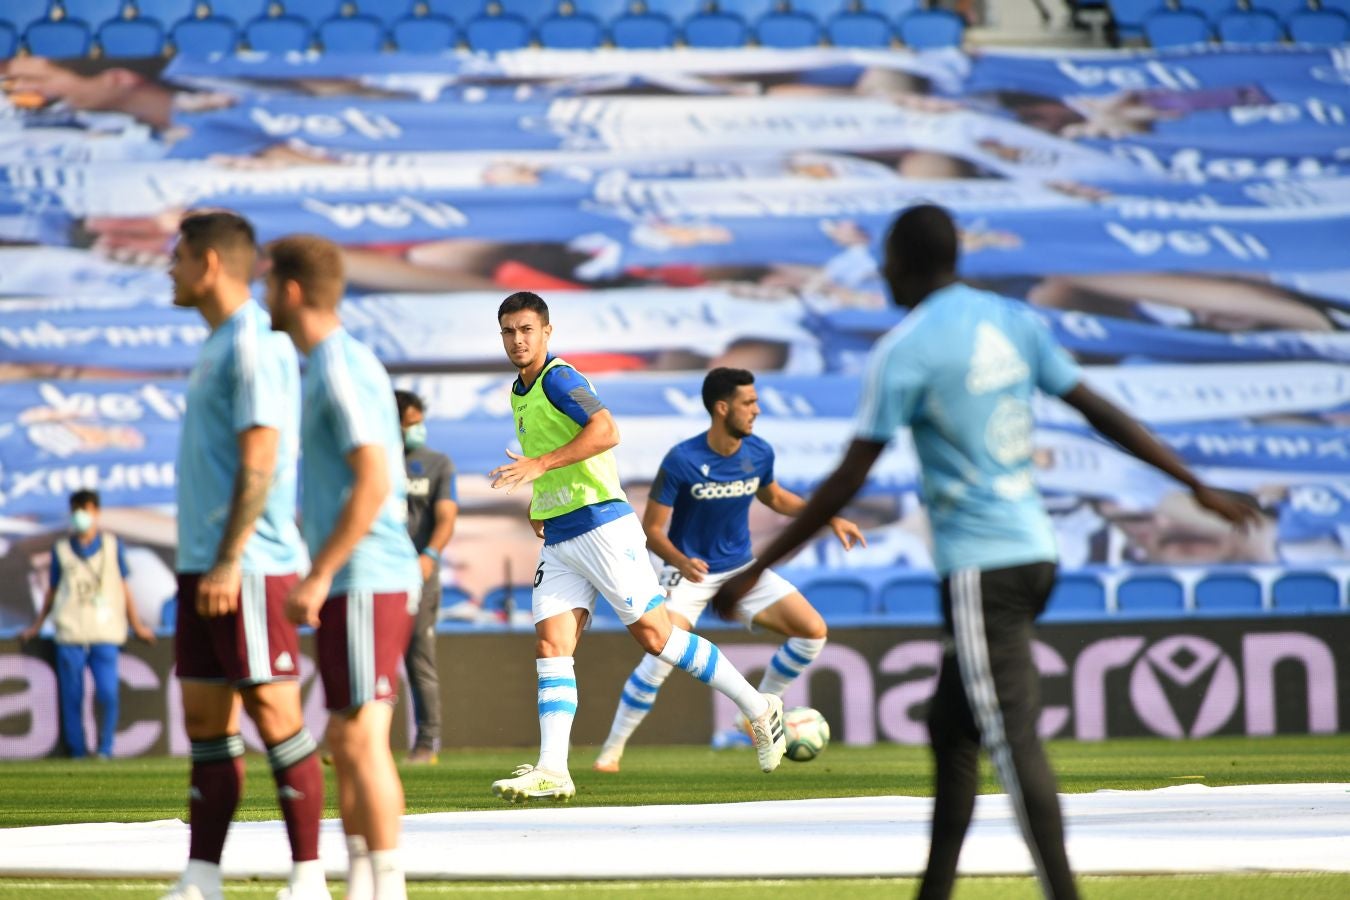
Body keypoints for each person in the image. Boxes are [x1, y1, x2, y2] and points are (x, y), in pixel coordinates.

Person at [708, 204, 1261, 900]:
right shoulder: (1013, 322)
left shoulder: (906, 349)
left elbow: (851, 475)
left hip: (981, 567)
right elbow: (1099, 409)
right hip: (1034, 550)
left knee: (1009, 735)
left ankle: (1063, 891)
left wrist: (757, 568)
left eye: (886, 260)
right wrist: (1193, 483)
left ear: (904, 264)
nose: (880, 273)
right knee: (952, 728)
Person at [486, 291, 788, 802]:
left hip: (603, 528)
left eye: (527, 330)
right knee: (551, 646)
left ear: (547, 332)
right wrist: (542, 501)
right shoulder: (520, 390)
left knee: (657, 638)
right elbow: (555, 456)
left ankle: (759, 708)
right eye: (509, 331)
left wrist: (539, 467)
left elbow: (606, 431)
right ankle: (553, 769)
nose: (518, 340)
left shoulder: (561, 378)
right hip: (561, 535)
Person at [162, 212, 328, 900]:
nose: (167, 269)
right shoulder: (216, 344)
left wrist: (231, 558)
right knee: (206, 722)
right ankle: (202, 879)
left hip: (250, 564)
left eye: (177, 258)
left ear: (207, 265)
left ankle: (309, 878)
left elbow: (261, 457)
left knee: (274, 713)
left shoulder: (256, 343)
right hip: (204, 562)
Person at [593, 368, 866, 771]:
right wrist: (680, 560)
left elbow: (775, 497)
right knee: (662, 654)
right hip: (688, 573)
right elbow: (651, 530)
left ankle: (757, 715)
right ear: (723, 409)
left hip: (741, 570)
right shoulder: (682, 460)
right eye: (748, 403)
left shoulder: (758, 452)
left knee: (813, 632)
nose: (757, 410)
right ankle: (611, 751)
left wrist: (828, 517)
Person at [268, 234, 421, 900]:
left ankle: (386, 885)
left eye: (268, 282)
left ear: (291, 290)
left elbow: (373, 481)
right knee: (350, 734)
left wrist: (321, 570)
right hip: (365, 574)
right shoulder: (336, 362)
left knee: (359, 738)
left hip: (366, 574)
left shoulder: (335, 366)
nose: (262, 294)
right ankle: (364, 880)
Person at [20, 489, 155, 759]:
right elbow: (52, 591)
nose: (81, 516)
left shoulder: (112, 544)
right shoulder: (60, 549)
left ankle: (105, 748)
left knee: (107, 693)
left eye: (86, 509)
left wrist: (137, 625)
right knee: (72, 697)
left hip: (105, 630)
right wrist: (36, 626)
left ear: (97, 512)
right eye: (77, 510)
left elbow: (124, 586)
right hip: (70, 631)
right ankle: (78, 751)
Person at [394, 389, 459, 765]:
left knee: (419, 658)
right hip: (378, 573)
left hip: (420, 575)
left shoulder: (437, 464)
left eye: (420, 422)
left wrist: (430, 555)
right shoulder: (373, 459)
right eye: (409, 423)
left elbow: (447, 516)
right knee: (369, 660)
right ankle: (359, 740)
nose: (417, 430)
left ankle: (425, 744)